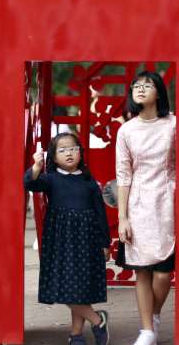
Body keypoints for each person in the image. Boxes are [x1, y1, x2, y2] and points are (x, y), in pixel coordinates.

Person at [25, 132, 111, 345]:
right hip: (61, 241)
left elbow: (101, 213)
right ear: (53, 158)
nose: (69, 153)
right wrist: (36, 166)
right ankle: (97, 320)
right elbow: (29, 183)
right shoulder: (50, 179)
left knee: (79, 287)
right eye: (62, 150)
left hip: (86, 240)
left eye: (73, 148)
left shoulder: (89, 182)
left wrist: (105, 243)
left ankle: (76, 335)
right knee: (65, 286)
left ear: (80, 153)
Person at [116, 71, 176, 345]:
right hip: (138, 205)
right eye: (135, 85)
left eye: (146, 84)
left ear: (159, 92)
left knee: (163, 273)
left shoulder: (174, 124)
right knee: (142, 269)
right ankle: (147, 330)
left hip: (168, 202)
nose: (139, 89)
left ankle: (153, 316)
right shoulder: (126, 130)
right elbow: (124, 175)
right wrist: (122, 218)